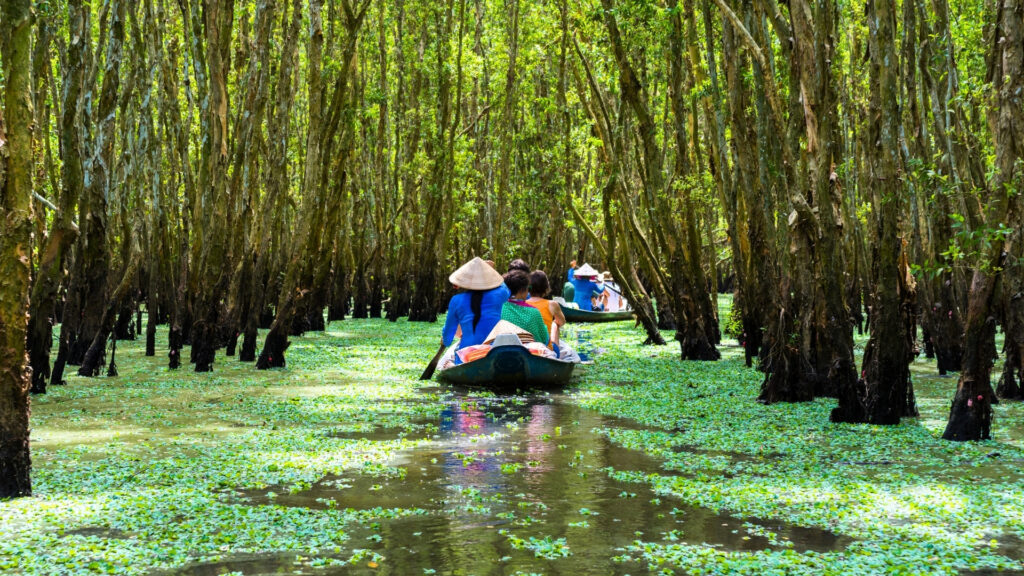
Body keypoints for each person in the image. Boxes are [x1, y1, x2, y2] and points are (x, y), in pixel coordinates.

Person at [440, 258, 509, 367]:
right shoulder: (500, 295)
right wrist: (490, 271)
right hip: (495, 352)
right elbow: (503, 286)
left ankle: (451, 365)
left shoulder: (456, 300)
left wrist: (444, 338)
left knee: (447, 362)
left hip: (466, 355)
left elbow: (448, 339)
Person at [527, 270, 581, 363]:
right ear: (546, 287)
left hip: (527, 346)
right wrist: (554, 323)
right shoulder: (552, 304)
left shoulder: (522, 304)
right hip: (547, 348)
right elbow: (562, 322)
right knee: (555, 323)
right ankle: (554, 352)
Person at [500, 270, 550, 346]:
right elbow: (543, 339)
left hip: (503, 348)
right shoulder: (534, 312)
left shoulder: (500, 307)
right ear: (521, 290)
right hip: (529, 353)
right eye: (528, 288)